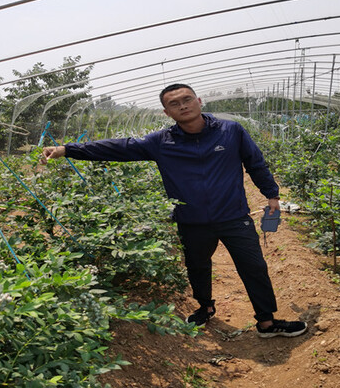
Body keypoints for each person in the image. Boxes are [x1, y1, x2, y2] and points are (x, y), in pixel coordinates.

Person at [42, 83, 307, 338]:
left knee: (253, 267)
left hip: (233, 216)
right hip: (191, 221)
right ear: (166, 113)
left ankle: (266, 321)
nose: (183, 106)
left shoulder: (231, 131)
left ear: (199, 101)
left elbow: (255, 163)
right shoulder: (161, 142)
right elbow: (119, 147)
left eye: (187, 99)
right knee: (197, 266)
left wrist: (271, 194)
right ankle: (205, 307)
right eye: (174, 104)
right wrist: (68, 150)